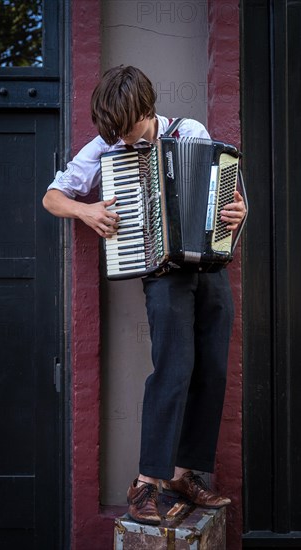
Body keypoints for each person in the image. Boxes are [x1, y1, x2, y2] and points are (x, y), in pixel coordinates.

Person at [42, 65, 246, 525]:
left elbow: (225, 196)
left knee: (211, 371)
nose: (120, 137)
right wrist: (86, 210)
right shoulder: (105, 147)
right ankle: (145, 485)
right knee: (172, 371)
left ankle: (182, 475)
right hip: (161, 273)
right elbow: (53, 197)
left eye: (127, 127)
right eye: (112, 130)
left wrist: (237, 209)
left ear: (148, 109)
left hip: (210, 268)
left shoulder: (188, 131)